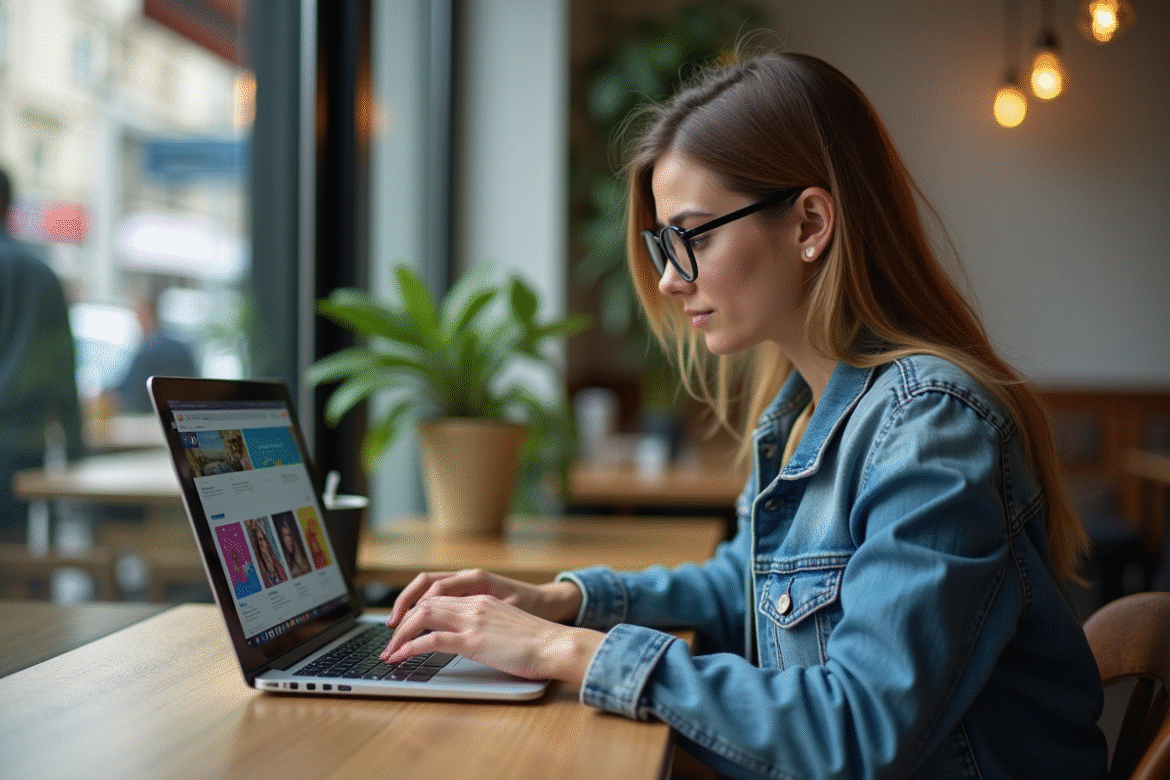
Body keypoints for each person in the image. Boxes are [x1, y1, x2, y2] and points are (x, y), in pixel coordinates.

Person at [377, 52, 1109, 779]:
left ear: (810, 224)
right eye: (664, 244)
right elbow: (750, 587)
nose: (667, 279)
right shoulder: (802, 409)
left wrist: (557, 650)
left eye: (692, 237)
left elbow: (858, 727)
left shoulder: (929, 425)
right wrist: (562, 600)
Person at [0, 167, 86, 541]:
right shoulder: (42, 275)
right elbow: (64, 369)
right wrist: (76, 453)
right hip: (25, 442)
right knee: (20, 557)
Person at [104, 279, 198, 414]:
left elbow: (133, 397)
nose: (135, 319)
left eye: (137, 312)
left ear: (147, 310)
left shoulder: (149, 352)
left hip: (148, 424)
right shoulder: (182, 348)